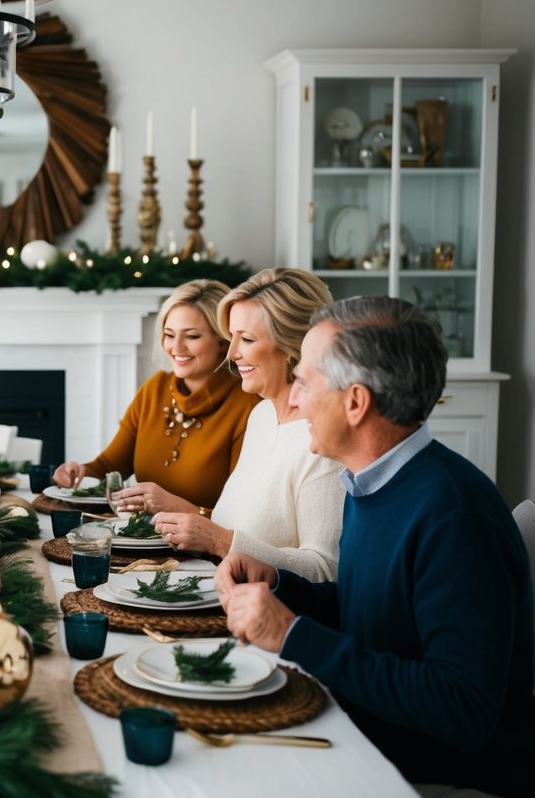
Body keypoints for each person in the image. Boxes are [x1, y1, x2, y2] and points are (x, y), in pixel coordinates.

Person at [217, 297, 534, 797]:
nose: (293, 400)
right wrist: (279, 583)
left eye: (306, 382)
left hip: (424, 774)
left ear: (356, 403)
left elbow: (462, 711)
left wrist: (294, 635)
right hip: (363, 734)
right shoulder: (369, 482)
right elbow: (373, 615)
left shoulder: (454, 514)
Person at [151, 268, 344, 581]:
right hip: (218, 594)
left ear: (293, 346)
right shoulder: (262, 416)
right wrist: (195, 517)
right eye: (232, 337)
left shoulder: (323, 441)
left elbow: (327, 570)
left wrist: (220, 541)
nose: (231, 354)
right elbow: (245, 527)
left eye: (248, 340)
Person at [53, 280, 258, 514]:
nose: (176, 347)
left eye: (192, 336)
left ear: (223, 342)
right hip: (139, 540)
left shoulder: (248, 404)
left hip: (202, 548)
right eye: (169, 335)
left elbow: (242, 519)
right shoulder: (154, 389)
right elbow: (109, 466)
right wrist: (78, 472)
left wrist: (179, 508)